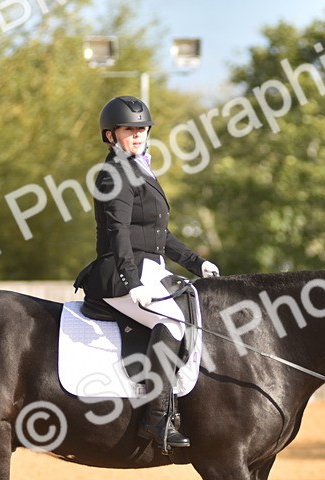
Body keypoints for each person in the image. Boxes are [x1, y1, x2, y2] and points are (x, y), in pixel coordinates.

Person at [74, 95, 220, 449]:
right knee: (170, 321)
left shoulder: (140, 168)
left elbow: (156, 234)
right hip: (119, 272)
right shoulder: (114, 173)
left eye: (142, 129)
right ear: (110, 136)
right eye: (130, 129)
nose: (138, 135)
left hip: (150, 268)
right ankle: (157, 419)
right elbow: (119, 232)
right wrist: (131, 280)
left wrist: (195, 262)